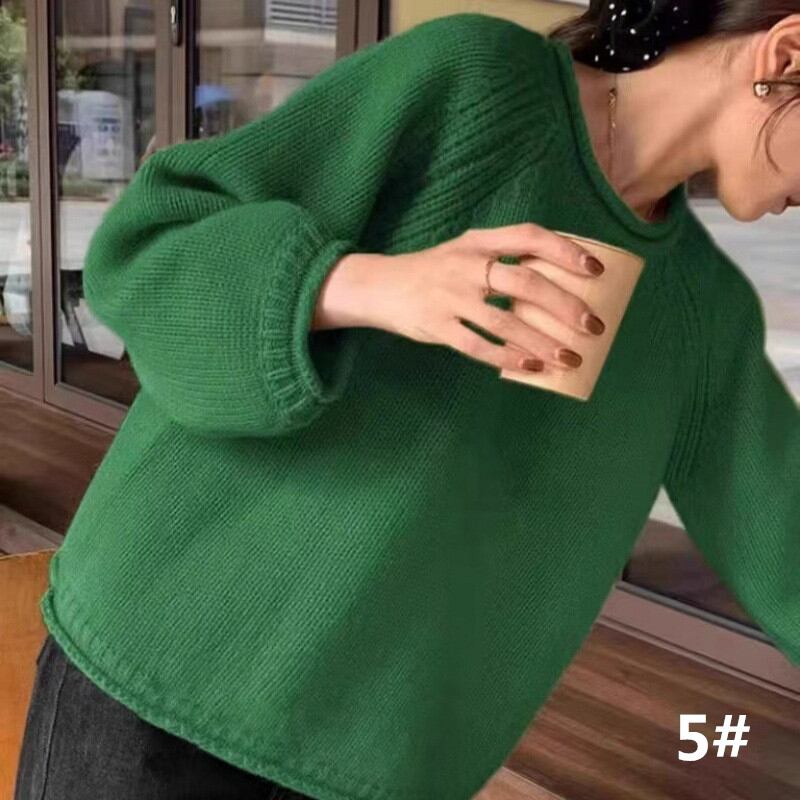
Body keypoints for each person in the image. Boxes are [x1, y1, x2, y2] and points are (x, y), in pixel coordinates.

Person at [15, 3, 800, 800]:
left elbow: (784, 540)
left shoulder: (703, 319)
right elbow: (145, 248)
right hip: (158, 679)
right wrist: (366, 285)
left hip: (371, 773)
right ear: (787, 53)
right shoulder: (475, 83)